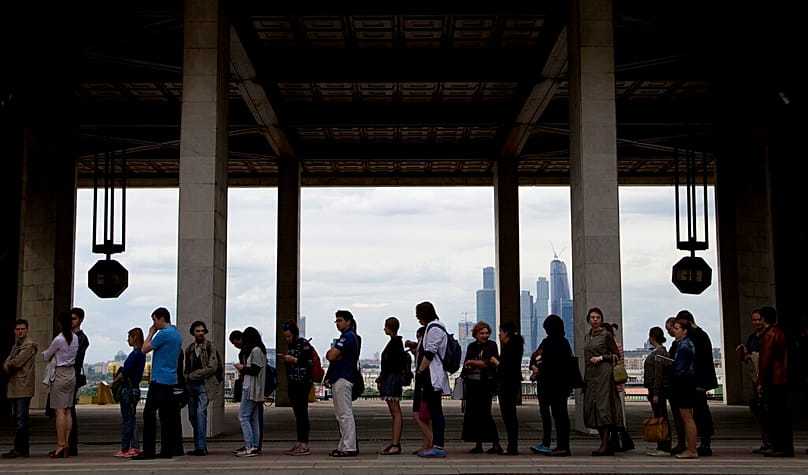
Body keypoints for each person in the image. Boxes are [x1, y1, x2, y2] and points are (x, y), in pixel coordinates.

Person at [132, 307, 183, 460]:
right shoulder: (176, 334)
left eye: (154, 320)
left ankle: (148, 450)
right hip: (171, 379)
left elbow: (143, 349)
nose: (154, 323)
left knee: (149, 415)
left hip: (159, 379)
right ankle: (167, 449)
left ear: (161, 319)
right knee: (166, 416)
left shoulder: (163, 334)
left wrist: (151, 332)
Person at [529, 314, 573, 457]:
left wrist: (536, 369)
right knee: (561, 415)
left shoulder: (546, 342)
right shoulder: (564, 343)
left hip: (547, 385)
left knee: (548, 415)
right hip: (561, 385)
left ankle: (548, 443)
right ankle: (562, 445)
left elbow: (535, 358)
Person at [675, 310, 718, 456]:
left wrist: (702, 382)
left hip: (695, 381)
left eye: (677, 327)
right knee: (697, 413)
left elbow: (703, 361)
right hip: (695, 380)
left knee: (698, 413)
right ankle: (698, 443)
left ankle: (701, 443)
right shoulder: (698, 336)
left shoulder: (695, 338)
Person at [582, 307, 623, 456]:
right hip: (591, 375)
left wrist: (602, 358)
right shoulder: (587, 336)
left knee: (603, 407)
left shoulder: (606, 335)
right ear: (588, 319)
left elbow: (616, 355)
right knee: (591, 407)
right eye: (592, 317)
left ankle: (605, 444)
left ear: (601, 320)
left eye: (598, 317)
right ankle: (605, 442)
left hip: (604, 374)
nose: (595, 320)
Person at [755, 306, 793, 457]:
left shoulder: (769, 335)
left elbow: (765, 360)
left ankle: (779, 447)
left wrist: (760, 380)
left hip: (773, 379)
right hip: (780, 378)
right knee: (781, 414)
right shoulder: (779, 332)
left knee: (775, 415)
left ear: (764, 319)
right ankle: (783, 446)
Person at [414, 301, 450, 458]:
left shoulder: (434, 328)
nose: (417, 318)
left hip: (432, 376)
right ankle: (436, 444)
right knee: (434, 411)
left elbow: (429, 353)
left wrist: (421, 371)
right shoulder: (433, 327)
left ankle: (438, 446)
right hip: (430, 375)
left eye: (418, 315)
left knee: (436, 412)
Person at [460, 321, 502, 454]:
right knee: (473, 414)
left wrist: (473, 362)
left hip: (485, 384)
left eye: (486, 333)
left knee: (485, 414)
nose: (485, 335)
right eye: (482, 333)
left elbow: (488, 363)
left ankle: (496, 444)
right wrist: (474, 363)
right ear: (476, 334)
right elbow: (467, 364)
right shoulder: (472, 346)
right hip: (472, 384)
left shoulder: (492, 345)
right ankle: (478, 444)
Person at [324, 310, 361, 457]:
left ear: (348, 322)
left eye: (340, 320)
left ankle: (349, 446)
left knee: (344, 413)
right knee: (341, 414)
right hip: (341, 377)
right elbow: (332, 355)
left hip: (343, 377)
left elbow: (332, 355)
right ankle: (344, 444)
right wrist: (333, 355)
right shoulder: (350, 337)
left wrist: (333, 354)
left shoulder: (348, 337)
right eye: (336, 321)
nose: (338, 324)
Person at [42, 311, 78, 458]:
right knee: (68, 410)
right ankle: (67, 442)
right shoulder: (75, 338)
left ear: (60, 323)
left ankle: (60, 444)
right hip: (71, 374)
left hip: (60, 374)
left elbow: (47, 355)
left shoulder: (59, 339)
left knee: (59, 411)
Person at [2, 319, 38, 458]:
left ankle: (21, 448)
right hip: (15, 385)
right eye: (17, 329)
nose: (20, 331)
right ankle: (21, 448)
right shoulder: (16, 346)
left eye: (22, 329)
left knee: (21, 419)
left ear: (27, 330)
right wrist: (8, 364)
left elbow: (15, 363)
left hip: (23, 386)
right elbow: (7, 362)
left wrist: (8, 365)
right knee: (18, 418)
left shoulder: (28, 346)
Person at [183, 321, 219, 456]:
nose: (200, 333)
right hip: (191, 386)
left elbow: (212, 368)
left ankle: (201, 447)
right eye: (198, 331)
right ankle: (199, 444)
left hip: (204, 384)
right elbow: (187, 368)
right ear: (193, 332)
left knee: (200, 414)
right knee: (192, 416)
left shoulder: (210, 347)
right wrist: (187, 377)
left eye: (202, 331)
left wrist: (193, 375)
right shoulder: (189, 349)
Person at [280, 319, 315, 456]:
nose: (287, 339)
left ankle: (304, 443)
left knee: (302, 414)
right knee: (298, 414)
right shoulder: (291, 346)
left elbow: (309, 362)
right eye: (285, 336)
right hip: (292, 382)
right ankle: (300, 441)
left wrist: (294, 360)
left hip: (302, 383)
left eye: (289, 336)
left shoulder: (303, 344)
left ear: (294, 334)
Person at [736, 308, 769, 453]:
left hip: (766, 378)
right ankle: (766, 442)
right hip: (755, 377)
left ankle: (771, 442)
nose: (756, 322)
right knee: (760, 411)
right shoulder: (752, 337)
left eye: (758, 319)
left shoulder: (769, 336)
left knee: (768, 411)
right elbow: (745, 357)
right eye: (754, 320)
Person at [112, 327, 146, 457]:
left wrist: (115, 381)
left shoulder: (134, 354)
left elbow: (125, 372)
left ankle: (126, 448)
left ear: (134, 338)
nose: (127, 340)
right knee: (131, 418)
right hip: (136, 389)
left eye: (129, 337)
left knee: (127, 419)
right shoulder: (142, 355)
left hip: (128, 390)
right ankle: (135, 447)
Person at [491, 322, 524, 455]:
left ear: (506, 333)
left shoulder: (510, 348)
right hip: (513, 384)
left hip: (507, 385)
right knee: (510, 416)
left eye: (501, 331)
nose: (499, 334)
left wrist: (496, 362)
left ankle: (512, 446)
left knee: (509, 415)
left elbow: (507, 367)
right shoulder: (516, 346)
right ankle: (512, 445)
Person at [229, 329, 263, 453]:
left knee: (243, 416)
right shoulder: (256, 351)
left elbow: (255, 370)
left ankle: (249, 445)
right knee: (253, 417)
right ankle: (254, 445)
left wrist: (242, 368)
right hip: (252, 387)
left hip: (251, 387)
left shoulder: (255, 351)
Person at [376, 316, 406, 455]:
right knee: (395, 412)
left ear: (388, 328)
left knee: (395, 412)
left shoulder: (394, 344)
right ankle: (395, 443)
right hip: (393, 379)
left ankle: (395, 444)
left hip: (391, 379)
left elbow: (389, 364)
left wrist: (381, 377)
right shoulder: (397, 343)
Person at [669, 318, 698, 459]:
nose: (674, 331)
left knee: (687, 418)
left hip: (684, 382)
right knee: (687, 417)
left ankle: (692, 449)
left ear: (685, 331)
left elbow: (677, 366)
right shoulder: (684, 344)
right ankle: (691, 448)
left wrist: (668, 364)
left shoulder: (685, 345)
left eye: (677, 328)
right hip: (686, 381)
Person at [604, 322, 634, 452]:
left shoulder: (613, 347)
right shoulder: (618, 346)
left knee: (613, 415)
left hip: (612, 384)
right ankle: (619, 440)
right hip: (618, 383)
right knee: (615, 414)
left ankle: (619, 439)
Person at [643, 326, 672, 456]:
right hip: (658, 389)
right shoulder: (661, 351)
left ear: (652, 337)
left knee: (661, 417)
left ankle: (664, 445)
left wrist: (655, 393)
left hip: (657, 390)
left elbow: (658, 374)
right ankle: (662, 444)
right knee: (660, 417)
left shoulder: (659, 353)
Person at [406, 325, 432, 455]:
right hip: (427, 382)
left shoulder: (426, 346)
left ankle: (433, 442)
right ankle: (426, 445)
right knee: (426, 416)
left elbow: (425, 355)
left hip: (423, 382)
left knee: (418, 414)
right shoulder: (424, 347)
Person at [68, 307, 89, 456]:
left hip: (71, 375)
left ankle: (71, 444)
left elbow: (74, 357)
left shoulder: (81, 338)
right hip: (65, 376)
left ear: (80, 320)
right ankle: (67, 443)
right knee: (64, 410)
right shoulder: (67, 336)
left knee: (69, 410)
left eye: (74, 318)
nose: (71, 321)